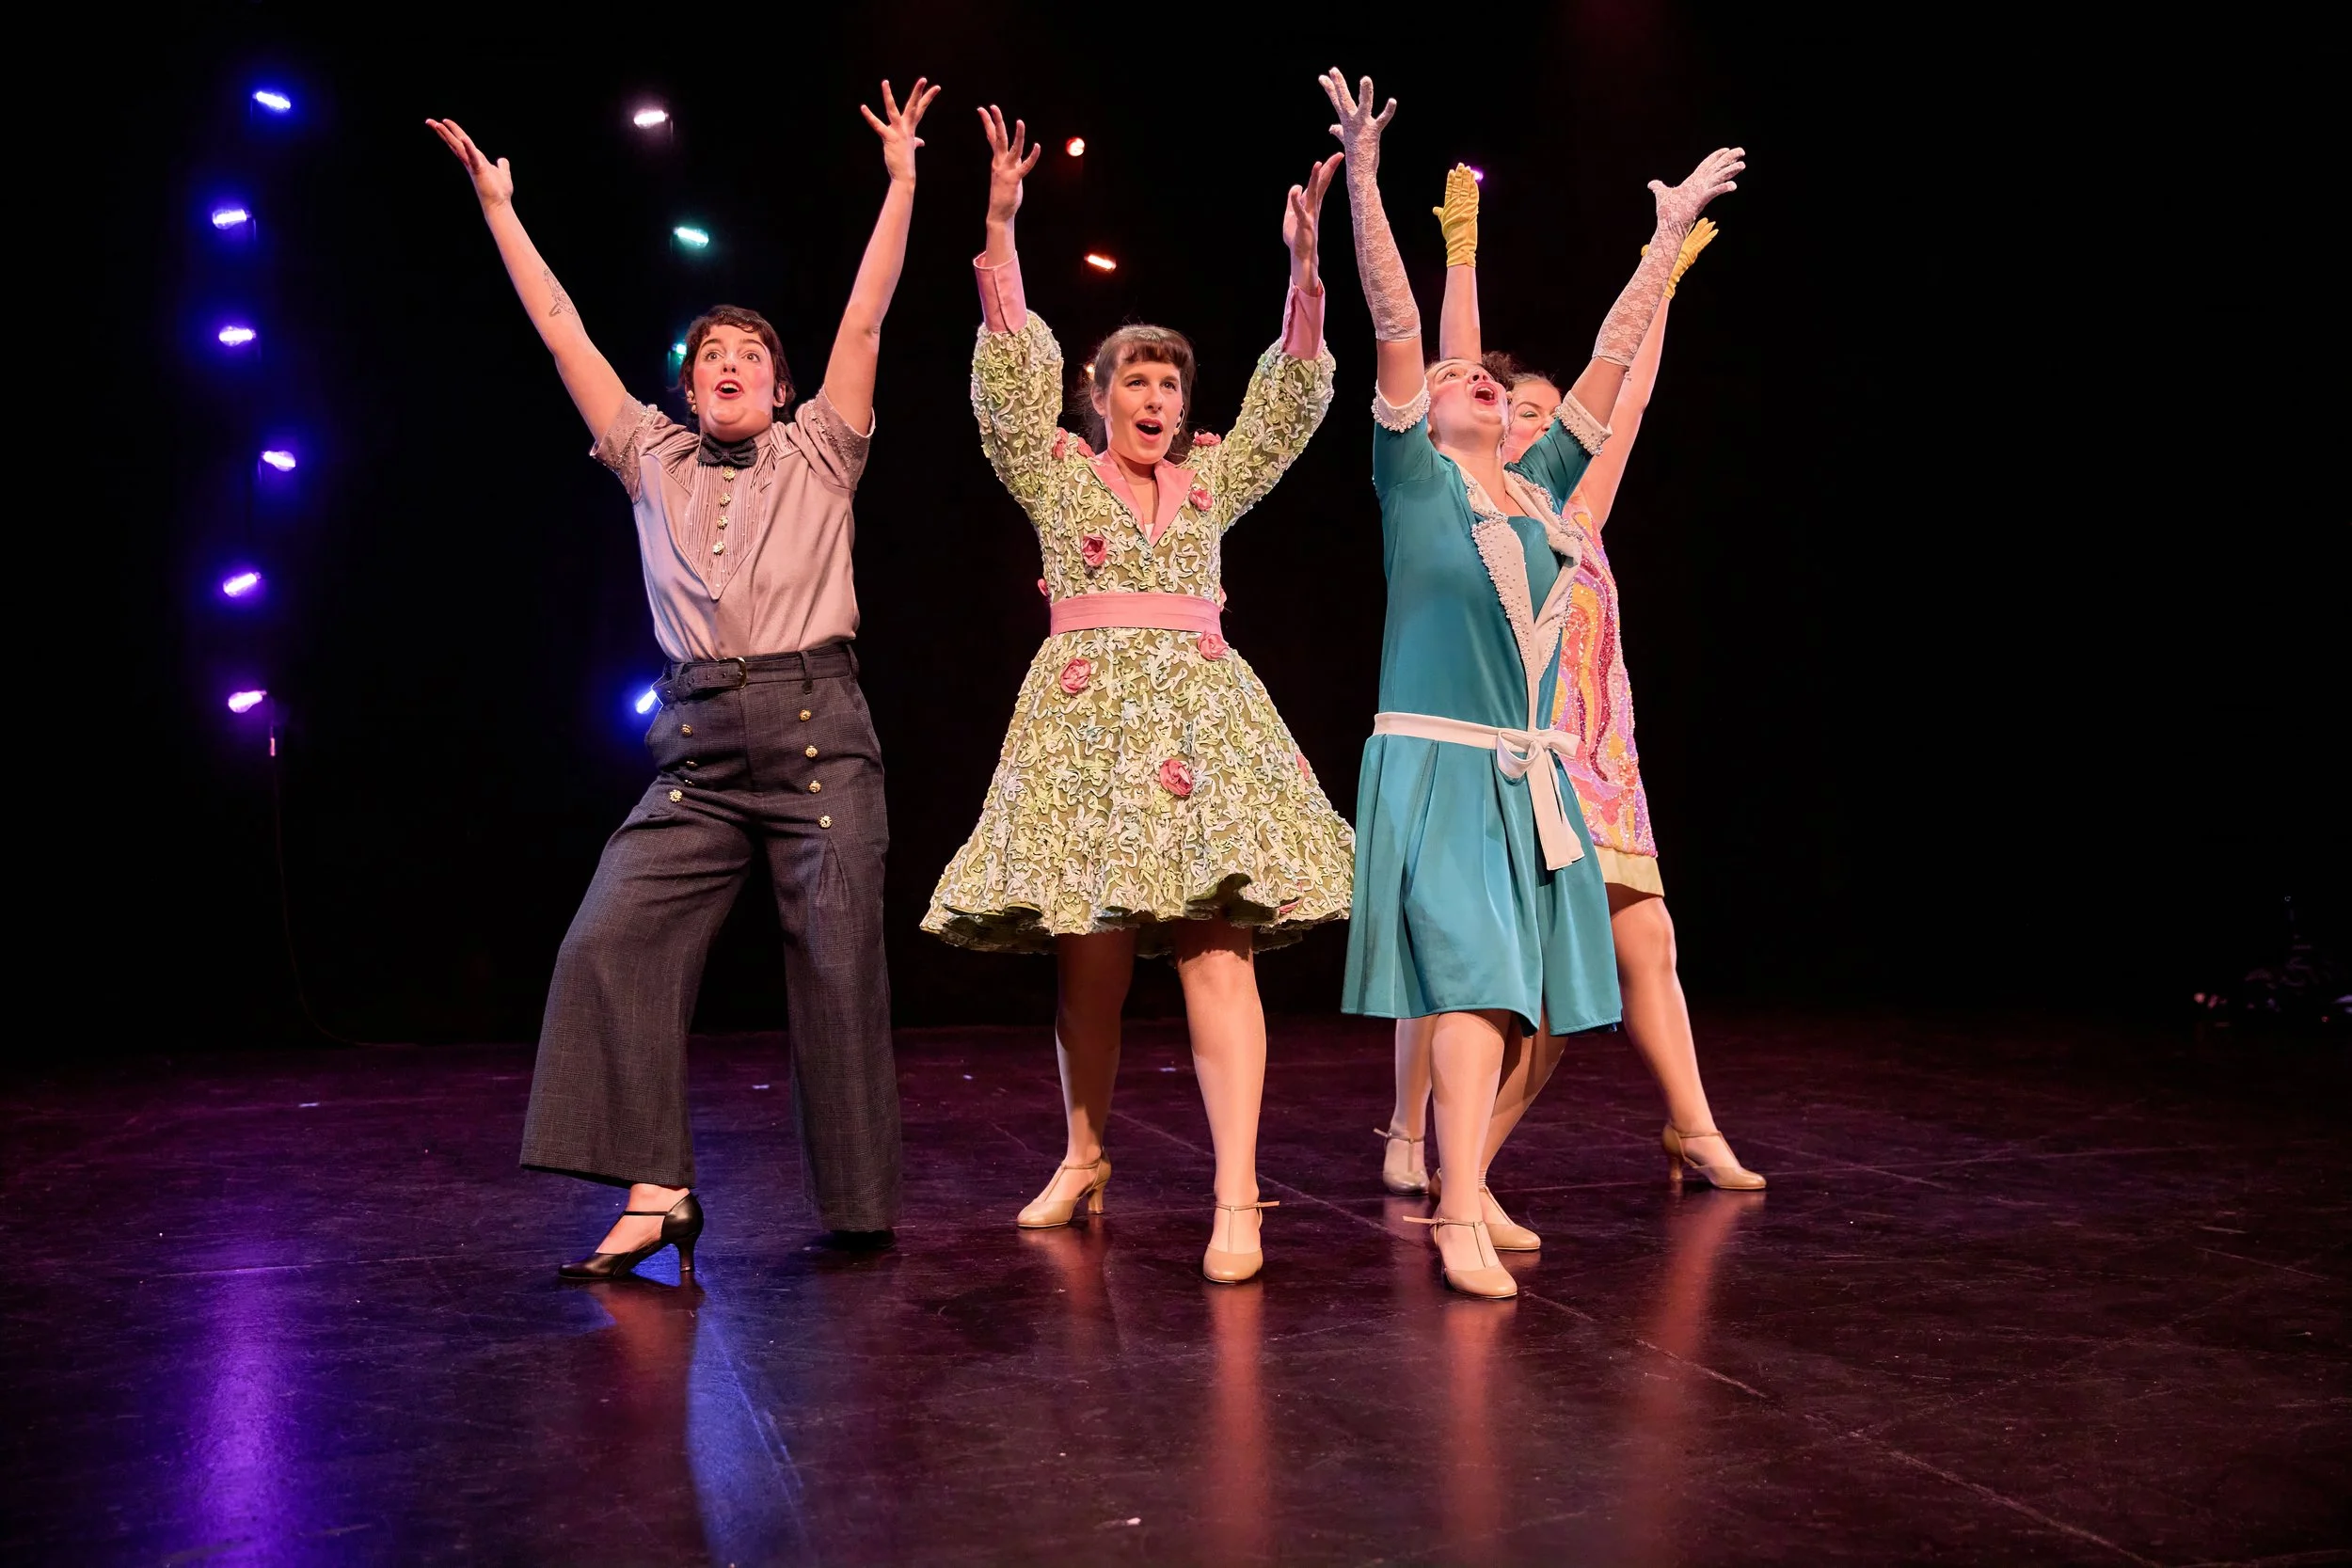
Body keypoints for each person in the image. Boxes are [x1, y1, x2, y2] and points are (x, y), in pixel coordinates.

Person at [424, 78, 941, 1277]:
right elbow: (560, 328)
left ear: (781, 383)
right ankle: (656, 1189)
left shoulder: (823, 445)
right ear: (686, 381)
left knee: (841, 966)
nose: (731, 364)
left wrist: (904, 181)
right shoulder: (648, 455)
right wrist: (501, 207)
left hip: (819, 728)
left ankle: (858, 1208)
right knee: (608, 943)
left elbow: (865, 320)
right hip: (698, 747)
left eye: (752, 354)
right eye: (712, 352)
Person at [1322, 66, 1742, 1297]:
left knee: (1542, 1003)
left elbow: (1617, 366)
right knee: (1462, 976)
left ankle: (1471, 1183)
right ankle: (1453, 1209)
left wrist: (1661, 243)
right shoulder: (1417, 483)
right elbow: (1399, 327)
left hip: (1534, 772)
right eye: (1460, 381)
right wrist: (1364, 181)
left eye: (1486, 380)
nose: (1474, 381)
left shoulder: (1544, 489)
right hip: (1440, 760)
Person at [924, 107, 1355, 1284]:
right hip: (1084, 726)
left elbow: (1292, 402)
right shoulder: (1055, 473)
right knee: (1092, 960)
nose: (1157, 396)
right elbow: (1007, 387)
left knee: (1223, 951)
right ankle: (1083, 1152)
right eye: (1137, 380)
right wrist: (1001, 230)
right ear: (1100, 392)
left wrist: (1304, 273)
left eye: (1170, 381)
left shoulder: (1213, 476)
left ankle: (1235, 1192)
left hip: (1204, 728)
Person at [1378, 171, 1764, 1198]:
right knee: (1502, 980)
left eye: (1543, 410)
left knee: (1636, 944)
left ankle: (1686, 1123)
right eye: (1518, 405)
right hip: (1511, 749)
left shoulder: (1569, 505)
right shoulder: (1460, 495)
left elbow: (1623, 385)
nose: (1530, 415)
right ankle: (1435, 1149)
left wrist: (1664, 272)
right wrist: (1460, 247)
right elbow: (1452, 360)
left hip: (1601, 752)